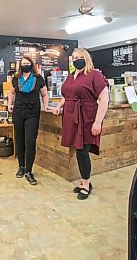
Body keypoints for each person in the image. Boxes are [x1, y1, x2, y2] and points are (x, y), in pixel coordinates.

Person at [52, 48, 109, 200]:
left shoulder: (95, 75)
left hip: (87, 118)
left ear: (86, 58)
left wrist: (98, 122)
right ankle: (85, 182)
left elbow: (104, 98)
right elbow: (67, 95)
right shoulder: (71, 76)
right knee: (78, 151)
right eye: (74, 57)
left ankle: (86, 184)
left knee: (82, 152)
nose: (77, 59)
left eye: (80, 57)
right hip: (71, 118)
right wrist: (59, 106)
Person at [7, 56, 49, 185]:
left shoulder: (38, 79)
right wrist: (9, 104)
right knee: (19, 140)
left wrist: (46, 105)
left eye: (28, 63)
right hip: (18, 112)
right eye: (23, 63)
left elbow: (44, 94)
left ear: (32, 65)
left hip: (32, 113)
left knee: (30, 141)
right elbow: (12, 93)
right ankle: (21, 166)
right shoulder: (16, 78)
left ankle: (29, 171)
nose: (25, 65)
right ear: (20, 65)